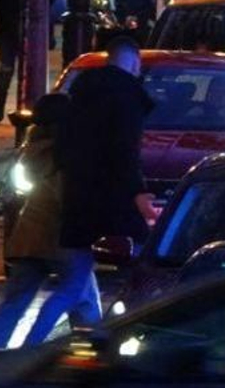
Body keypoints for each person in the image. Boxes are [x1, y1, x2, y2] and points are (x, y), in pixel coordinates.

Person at [45, 35, 157, 342]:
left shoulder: (81, 95)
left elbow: (63, 145)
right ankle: (138, 327)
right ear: (134, 63)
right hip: (113, 197)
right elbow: (125, 151)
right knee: (148, 259)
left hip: (77, 193)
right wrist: (138, 191)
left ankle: (92, 332)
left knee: (78, 270)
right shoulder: (126, 97)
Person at [0, 94, 71, 348]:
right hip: (59, 238)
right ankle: (37, 348)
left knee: (18, 298)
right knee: (77, 291)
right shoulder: (61, 154)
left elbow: (13, 195)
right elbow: (63, 197)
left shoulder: (29, 152)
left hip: (28, 236)